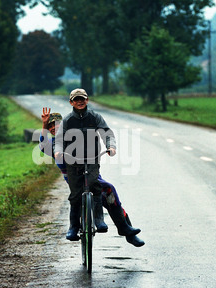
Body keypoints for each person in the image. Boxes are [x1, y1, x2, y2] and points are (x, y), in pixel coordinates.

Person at [40, 89, 144, 247]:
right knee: (76, 196)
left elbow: (105, 134)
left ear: (87, 100)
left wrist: (110, 147)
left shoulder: (91, 119)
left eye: (57, 125)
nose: (54, 128)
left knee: (109, 192)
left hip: (91, 168)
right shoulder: (57, 142)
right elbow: (44, 146)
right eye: (51, 127)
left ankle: (126, 230)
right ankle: (74, 227)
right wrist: (57, 149)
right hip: (75, 175)